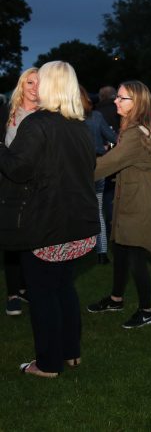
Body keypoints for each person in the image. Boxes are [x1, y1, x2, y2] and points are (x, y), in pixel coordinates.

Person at [0, 61, 100, 377]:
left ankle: (47, 364)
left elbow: (17, 169)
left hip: (47, 227)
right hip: (78, 225)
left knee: (44, 294)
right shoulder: (80, 126)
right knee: (63, 289)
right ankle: (70, 353)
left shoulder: (38, 123)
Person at [87, 81, 151, 329]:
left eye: (122, 98)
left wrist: (73, 171)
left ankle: (146, 311)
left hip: (140, 197)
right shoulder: (133, 127)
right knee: (121, 249)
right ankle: (116, 299)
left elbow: (105, 165)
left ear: (136, 103)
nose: (116, 101)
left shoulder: (135, 133)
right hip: (131, 191)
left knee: (134, 253)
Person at [0, 67, 39, 316]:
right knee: (11, 239)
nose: (34, 88)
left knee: (32, 239)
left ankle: (27, 288)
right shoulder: (8, 115)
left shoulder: (46, 116)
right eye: (29, 83)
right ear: (21, 86)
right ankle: (13, 292)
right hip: (9, 186)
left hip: (35, 187)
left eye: (39, 83)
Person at [80, 85, 117, 264]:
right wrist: (106, 147)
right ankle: (102, 252)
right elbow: (113, 138)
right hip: (98, 166)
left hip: (77, 169)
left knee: (76, 209)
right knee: (98, 209)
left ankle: (76, 250)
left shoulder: (69, 119)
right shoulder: (96, 116)